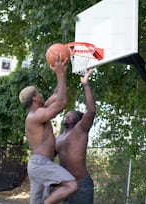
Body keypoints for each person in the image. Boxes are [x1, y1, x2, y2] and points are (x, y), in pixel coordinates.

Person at [19, 54, 78, 204]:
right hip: (40, 164)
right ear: (34, 98)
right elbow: (62, 102)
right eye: (38, 93)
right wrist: (59, 75)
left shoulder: (41, 110)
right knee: (71, 185)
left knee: (38, 200)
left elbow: (58, 94)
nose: (41, 94)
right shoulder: (36, 116)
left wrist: (61, 73)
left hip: (39, 164)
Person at [56, 68, 96, 204]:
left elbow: (91, 111)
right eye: (65, 115)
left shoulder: (79, 131)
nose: (66, 116)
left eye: (70, 114)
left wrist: (85, 83)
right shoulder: (59, 138)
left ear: (78, 119)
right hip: (66, 186)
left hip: (81, 186)